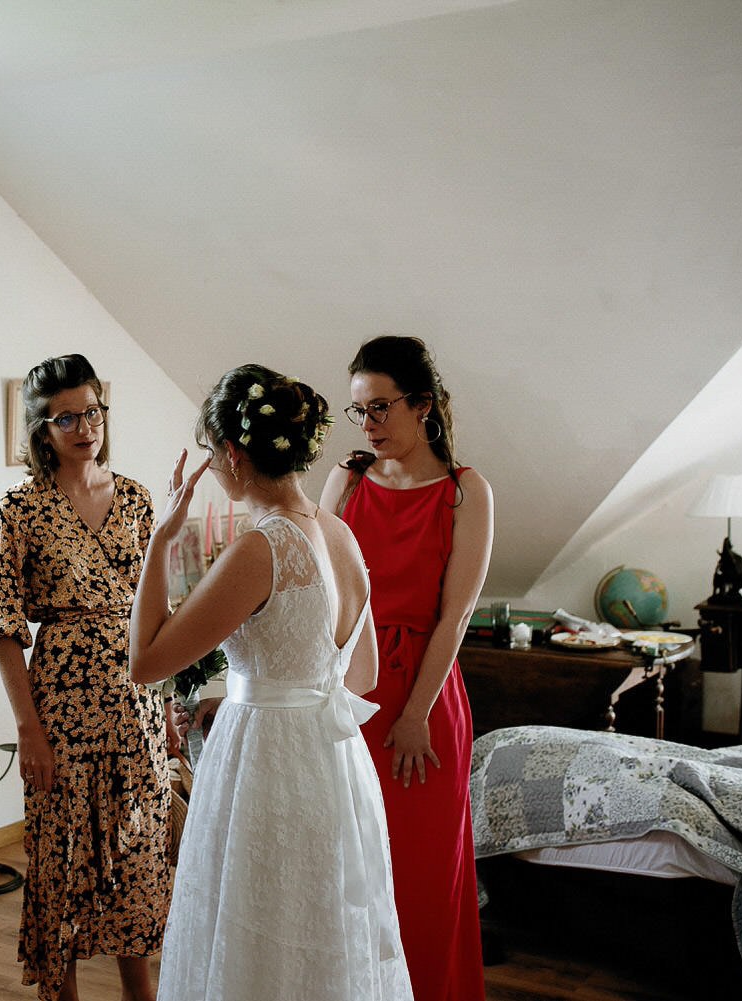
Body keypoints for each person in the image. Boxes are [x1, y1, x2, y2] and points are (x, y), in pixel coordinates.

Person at [130, 365, 411, 1001]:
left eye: (210, 450)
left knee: (258, 931)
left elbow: (144, 663)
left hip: (266, 763)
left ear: (232, 453)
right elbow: (361, 674)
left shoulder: (263, 547)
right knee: (320, 929)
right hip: (334, 763)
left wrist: (160, 539)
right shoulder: (339, 534)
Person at [0, 354, 177, 1001]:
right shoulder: (19, 511)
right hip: (61, 707)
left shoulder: (140, 499)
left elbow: (161, 614)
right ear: (42, 428)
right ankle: (59, 993)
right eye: (68, 417)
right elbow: (2, 628)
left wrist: (167, 708)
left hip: (136, 704)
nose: (85, 426)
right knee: (61, 859)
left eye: (92, 411)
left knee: (136, 852)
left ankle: (139, 993)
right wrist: (28, 731)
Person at [318, 335, 492, 1001]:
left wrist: (416, 713)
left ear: (423, 405)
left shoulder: (464, 492)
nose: (369, 425)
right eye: (359, 410)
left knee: (419, 876)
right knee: (348, 871)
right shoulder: (347, 478)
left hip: (424, 698)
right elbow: (314, 589)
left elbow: (455, 616)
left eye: (382, 407)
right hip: (345, 692)